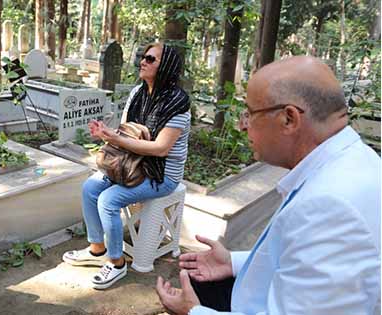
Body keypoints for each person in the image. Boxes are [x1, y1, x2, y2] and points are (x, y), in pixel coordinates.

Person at [155, 56, 381, 314]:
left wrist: (192, 312)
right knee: (202, 281)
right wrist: (233, 261)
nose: (242, 126)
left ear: (289, 119)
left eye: (250, 113)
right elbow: (298, 258)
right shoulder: (353, 161)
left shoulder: (330, 207)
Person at [62, 43, 191, 289]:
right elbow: (126, 132)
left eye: (150, 59)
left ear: (166, 66)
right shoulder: (138, 93)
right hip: (131, 164)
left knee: (108, 200)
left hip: (161, 174)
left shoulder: (178, 104)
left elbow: (161, 149)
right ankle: (97, 248)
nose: (142, 61)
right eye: (142, 57)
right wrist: (107, 133)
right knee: (90, 187)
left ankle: (117, 263)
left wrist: (116, 138)